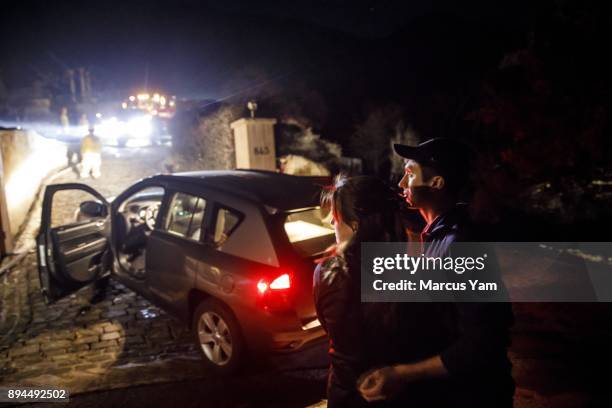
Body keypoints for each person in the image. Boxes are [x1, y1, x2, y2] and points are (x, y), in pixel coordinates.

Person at [357, 138, 515, 407]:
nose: (401, 185)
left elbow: (483, 341)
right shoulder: (438, 235)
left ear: (436, 183)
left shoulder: (462, 245)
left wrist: (401, 374)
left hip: (473, 395)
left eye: (409, 174)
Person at [313, 175, 407, 407]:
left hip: (348, 392)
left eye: (335, 218)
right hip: (397, 392)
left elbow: (328, 325)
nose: (331, 224)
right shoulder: (408, 269)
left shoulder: (329, 273)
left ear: (354, 226)